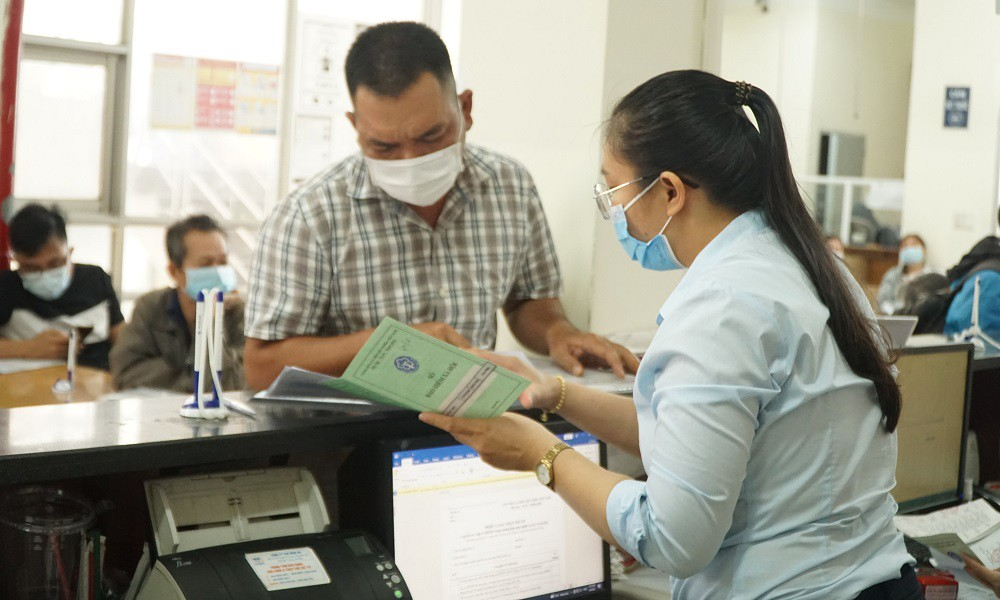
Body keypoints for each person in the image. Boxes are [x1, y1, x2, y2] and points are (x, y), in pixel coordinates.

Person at [421, 72, 919, 598]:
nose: (613, 210)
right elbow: (699, 441)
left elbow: (673, 539)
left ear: (669, 191)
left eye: (613, 189)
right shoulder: (812, 265)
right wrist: (557, 395)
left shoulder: (722, 309)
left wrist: (541, 454)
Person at [243, 22, 637, 390]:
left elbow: (526, 302)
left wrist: (558, 333)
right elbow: (262, 366)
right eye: (384, 146)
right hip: (355, 431)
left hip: (479, 416)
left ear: (465, 110)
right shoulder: (309, 217)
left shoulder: (509, 186)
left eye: (431, 136)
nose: (410, 160)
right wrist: (392, 344)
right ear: (356, 127)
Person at [110, 215, 245, 392]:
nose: (217, 271)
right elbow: (126, 374)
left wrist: (212, 319)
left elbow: (227, 385)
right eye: (206, 264)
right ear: (174, 272)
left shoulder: (238, 312)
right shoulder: (151, 307)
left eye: (222, 262)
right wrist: (192, 382)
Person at [0, 204, 124, 370]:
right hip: (30, 380)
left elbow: (123, 340)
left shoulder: (96, 279)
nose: (45, 275)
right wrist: (28, 348)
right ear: (16, 262)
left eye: (55, 263)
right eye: (32, 268)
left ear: (69, 253)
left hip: (97, 378)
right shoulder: (6, 287)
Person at [878, 234, 934, 314]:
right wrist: (895, 314)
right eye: (905, 245)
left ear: (924, 250)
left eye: (914, 244)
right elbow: (883, 301)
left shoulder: (933, 277)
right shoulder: (892, 275)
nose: (909, 248)